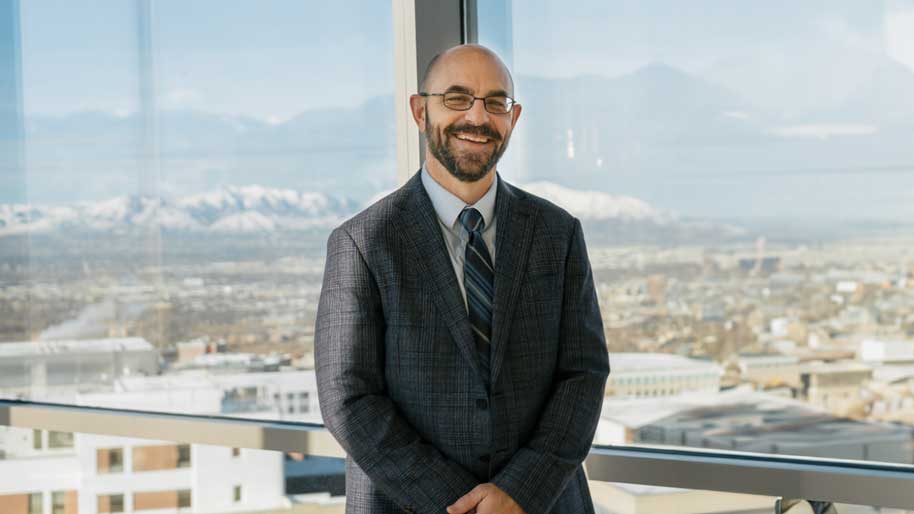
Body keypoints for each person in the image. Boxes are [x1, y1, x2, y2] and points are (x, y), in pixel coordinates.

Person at [315, 44, 609, 514]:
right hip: (408, 505)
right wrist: (460, 504)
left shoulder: (558, 233)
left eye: (496, 102)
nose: (478, 116)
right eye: (457, 98)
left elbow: (583, 374)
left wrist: (520, 491)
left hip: (542, 504)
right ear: (419, 110)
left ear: (513, 118)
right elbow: (348, 397)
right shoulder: (363, 243)